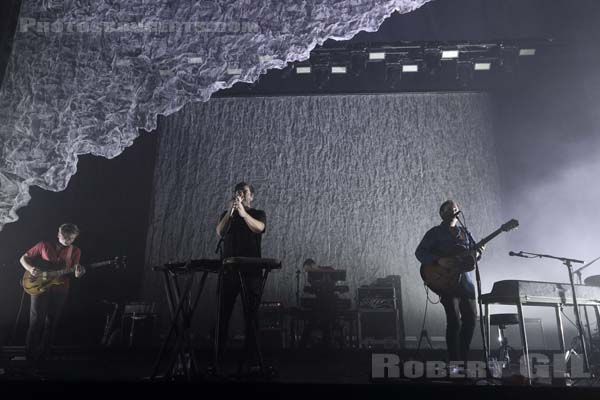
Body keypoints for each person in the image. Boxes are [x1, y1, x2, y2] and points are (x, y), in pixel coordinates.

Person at [415, 200, 483, 367]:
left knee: (471, 319)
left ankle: (463, 359)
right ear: (442, 213)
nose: (453, 210)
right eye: (449, 209)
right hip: (445, 282)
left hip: (466, 282)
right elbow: (420, 252)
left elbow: (473, 257)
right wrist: (439, 260)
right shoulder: (435, 233)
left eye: (455, 208)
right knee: (454, 320)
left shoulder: (466, 232)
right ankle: (454, 362)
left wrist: (478, 252)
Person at [215, 182, 266, 371]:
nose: (241, 195)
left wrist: (244, 214)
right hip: (229, 272)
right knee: (223, 315)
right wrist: (231, 212)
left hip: (251, 273)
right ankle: (219, 358)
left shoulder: (258, 214)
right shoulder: (228, 216)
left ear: (251, 196)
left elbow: (259, 228)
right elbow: (220, 231)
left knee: (251, 317)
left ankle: (251, 360)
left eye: (244, 192)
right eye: (238, 192)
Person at [19, 223, 86, 365]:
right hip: (39, 286)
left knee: (52, 323)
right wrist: (31, 269)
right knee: (36, 321)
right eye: (65, 237)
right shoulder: (43, 245)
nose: (68, 240)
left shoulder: (75, 251)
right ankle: (30, 357)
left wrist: (78, 274)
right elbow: (23, 258)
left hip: (60, 289)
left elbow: (75, 272)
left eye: (71, 238)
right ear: (58, 234)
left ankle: (44, 358)